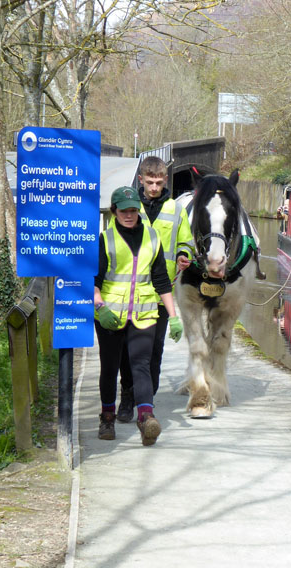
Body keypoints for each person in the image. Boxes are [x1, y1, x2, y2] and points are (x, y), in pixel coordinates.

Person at [94, 186, 183, 446]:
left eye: (133, 210)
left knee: (141, 365)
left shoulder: (153, 239)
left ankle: (146, 418)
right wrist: (100, 308)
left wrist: (173, 316)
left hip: (144, 314)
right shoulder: (105, 239)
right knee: (109, 368)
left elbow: (162, 281)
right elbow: (93, 282)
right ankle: (107, 418)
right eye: (124, 211)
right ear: (115, 212)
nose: (129, 215)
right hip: (110, 316)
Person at [116, 156, 194, 423]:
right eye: (149, 182)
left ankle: (146, 402)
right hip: (131, 294)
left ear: (165, 181)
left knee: (154, 351)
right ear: (141, 180)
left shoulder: (176, 210)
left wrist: (184, 254)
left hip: (162, 294)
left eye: (159, 182)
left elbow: (186, 241)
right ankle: (127, 398)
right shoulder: (130, 206)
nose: (154, 187)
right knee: (129, 351)